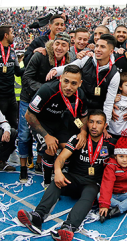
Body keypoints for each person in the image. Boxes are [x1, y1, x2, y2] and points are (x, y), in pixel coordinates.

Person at [17, 110, 116, 241]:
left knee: (91, 192)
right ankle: (37, 216)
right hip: (74, 179)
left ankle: (68, 227)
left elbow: (125, 159)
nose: (94, 126)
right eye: (91, 122)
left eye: (98, 123)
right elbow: (61, 159)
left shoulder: (111, 143)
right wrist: (57, 172)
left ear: (105, 126)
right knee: (58, 181)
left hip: (92, 183)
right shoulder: (77, 139)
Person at [20, 32, 72, 179]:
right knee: (24, 134)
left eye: (64, 45)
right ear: (52, 44)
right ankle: (23, 168)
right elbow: (26, 77)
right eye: (57, 44)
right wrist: (45, 91)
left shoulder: (70, 59)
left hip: (52, 103)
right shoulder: (40, 55)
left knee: (45, 132)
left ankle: (40, 163)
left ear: (69, 47)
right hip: (30, 98)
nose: (60, 48)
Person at [25, 64, 88, 185]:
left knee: (70, 146)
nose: (68, 87)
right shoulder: (46, 90)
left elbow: (83, 116)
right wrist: (46, 136)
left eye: (74, 83)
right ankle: (47, 183)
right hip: (40, 123)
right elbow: (29, 115)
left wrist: (83, 132)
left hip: (58, 122)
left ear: (80, 83)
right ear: (60, 78)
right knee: (51, 148)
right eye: (66, 81)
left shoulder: (80, 95)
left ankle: (64, 171)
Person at [47, 34, 120, 128]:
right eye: (97, 46)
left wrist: (106, 122)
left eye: (102, 47)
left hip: (97, 111)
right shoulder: (86, 59)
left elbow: (109, 102)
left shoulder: (114, 74)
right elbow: (70, 67)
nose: (97, 49)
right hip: (79, 106)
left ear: (111, 51)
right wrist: (55, 71)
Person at [98, 130, 127, 223]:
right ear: (116, 156)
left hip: (125, 194)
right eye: (121, 156)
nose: (125, 160)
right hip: (112, 194)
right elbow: (107, 184)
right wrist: (104, 205)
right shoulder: (111, 165)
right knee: (99, 195)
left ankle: (114, 211)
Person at [0, 25, 24, 130]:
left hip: (11, 96)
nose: (13, 35)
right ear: (6, 35)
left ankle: (12, 146)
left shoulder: (12, 52)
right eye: (12, 33)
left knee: (14, 125)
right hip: (0, 97)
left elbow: (18, 72)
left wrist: (31, 67)